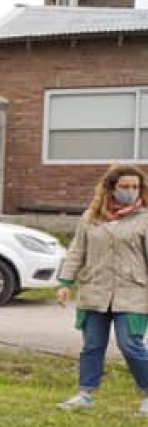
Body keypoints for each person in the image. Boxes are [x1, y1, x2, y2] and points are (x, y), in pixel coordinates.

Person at [55, 164, 148, 412]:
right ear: (111, 188)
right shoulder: (91, 217)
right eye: (125, 186)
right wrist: (65, 282)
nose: (131, 191)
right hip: (95, 291)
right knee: (92, 345)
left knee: (130, 345)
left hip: (133, 293)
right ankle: (86, 393)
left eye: (135, 187)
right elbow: (76, 251)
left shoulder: (144, 219)